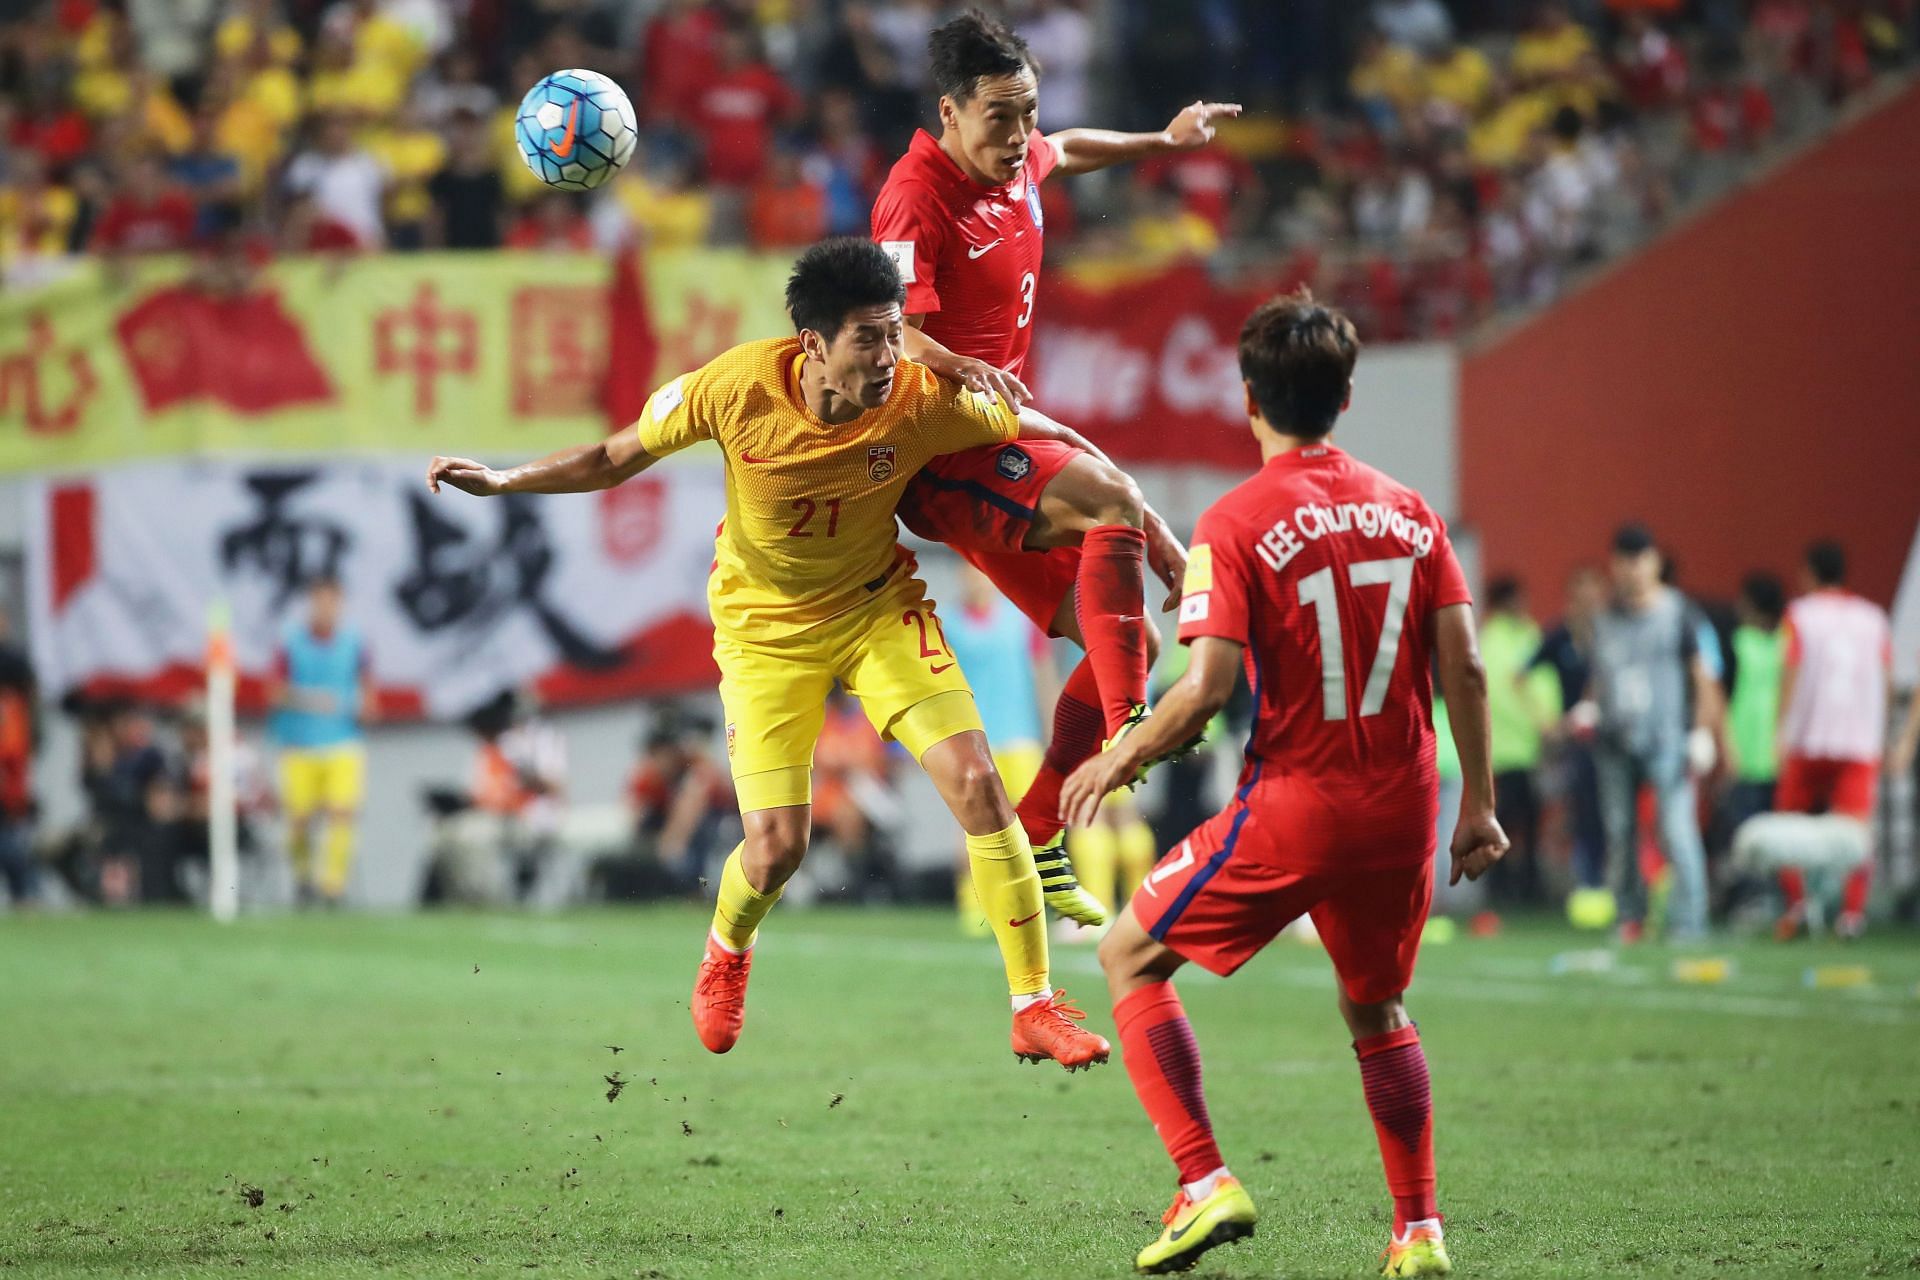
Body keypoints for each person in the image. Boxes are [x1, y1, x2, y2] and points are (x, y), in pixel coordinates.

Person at [427, 237, 1111, 1071]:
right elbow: (613, 458)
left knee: (977, 784)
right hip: (763, 631)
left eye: (897, 333)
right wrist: (503, 482)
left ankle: (1033, 1004)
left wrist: (1144, 520)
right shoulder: (734, 388)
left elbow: (1049, 437)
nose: (890, 355)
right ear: (812, 344)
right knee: (779, 847)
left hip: (875, 610)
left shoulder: (923, 399)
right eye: (869, 338)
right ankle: (726, 949)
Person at [1060, 289, 1506, 1277]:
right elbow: (1464, 666)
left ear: (1248, 397)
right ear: (1346, 396)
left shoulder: (1233, 518)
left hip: (1300, 801)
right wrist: (1477, 802)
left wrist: (1119, 753)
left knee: (1130, 952)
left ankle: (1204, 1178)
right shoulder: (1413, 513)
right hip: (1404, 805)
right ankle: (1419, 1230)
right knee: (1378, 1010)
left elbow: (1209, 688)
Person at [870, 12, 1238, 915]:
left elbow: (1067, 149)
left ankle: (1035, 837)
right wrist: (962, 368)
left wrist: (1163, 138)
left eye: (1027, 112)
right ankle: (1129, 731)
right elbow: (890, 333)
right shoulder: (915, 193)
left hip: (997, 437)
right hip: (938, 447)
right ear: (950, 112)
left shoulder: (1021, 156)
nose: (1018, 135)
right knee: (1116, 499)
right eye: (1000, 116)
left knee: (1130, 640)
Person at [1581, 524, 1723, 943]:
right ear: (1614, 565)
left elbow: (1703, 679)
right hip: (1614, 741)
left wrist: (1702, 732)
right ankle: (1630, 917)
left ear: (1655, 563)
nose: (1632, 570)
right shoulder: (1604, 620)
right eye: (1624, 561)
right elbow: (1600, 677)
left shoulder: (1681, 614)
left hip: (1667, 741)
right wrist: (1590, 706)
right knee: (1621, 833)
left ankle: (1690, 921)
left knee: (1677, 830)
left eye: (1640, 560)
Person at [1774, 541, 1890, 938]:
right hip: (1859, 739)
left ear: (1808, 572)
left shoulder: (1800, 615)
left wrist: (1780, 729)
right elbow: (1886, 676)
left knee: (1788, 827)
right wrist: (1884, 732)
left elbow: (1792, 668)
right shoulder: (1873, 619)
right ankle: (1851, 914)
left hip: (1808, 737)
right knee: (1856, 832)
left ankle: (1800, 907)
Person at [943, 562, 1055, 933]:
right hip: (973, 741)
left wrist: (1054, 730)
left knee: (1035, 828)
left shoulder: (1020, 621)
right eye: (969, 573)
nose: (976, 580)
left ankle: (1036, 903)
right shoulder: (949, 626)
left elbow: (1042, 675)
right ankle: (973, 907)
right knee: (975, 826)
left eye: (982, 573)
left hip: (1020, 739)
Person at [267, 574, 374, 907]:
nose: (326, 608)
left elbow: (369, 696)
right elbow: (274, 692)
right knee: (299, 818)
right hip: (298, 743)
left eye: (333, 601)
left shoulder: (355, 643)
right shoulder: (291, 642)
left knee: (342, 813)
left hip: (342, 741)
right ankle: (303, 880)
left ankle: (332, 887)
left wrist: (365, 708)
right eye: (320, 601)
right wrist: (313, 700)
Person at [1479, 575, 1560, 907]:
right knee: (1509, 821)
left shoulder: (1522, 636)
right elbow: (1506, 692)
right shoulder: (1497, 640)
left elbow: (1541, 683)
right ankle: (1506, 887)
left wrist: (1548, 723)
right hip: (1507, 748)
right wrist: (1543, 722)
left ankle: (1521, 885)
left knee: (1524, 820)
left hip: (1521, 748)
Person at [0, 607, 38, 907]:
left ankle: (26, 891)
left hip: (10, 761)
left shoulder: (15, 662)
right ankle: (26, 890)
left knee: (10, 832)